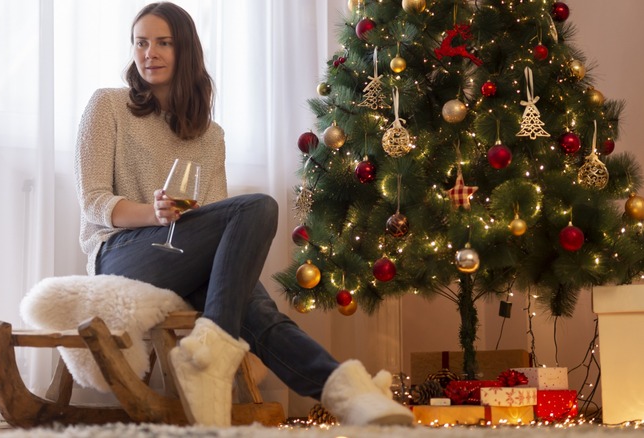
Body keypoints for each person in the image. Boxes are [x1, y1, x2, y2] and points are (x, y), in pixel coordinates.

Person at [74, 1, 414, 428]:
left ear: (186, 52)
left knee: (260, 313)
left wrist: (188, 221)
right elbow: (93, 201)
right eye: (141, 43)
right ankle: (220, 354)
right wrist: (154, 213)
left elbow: (217, 217)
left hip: (185, 255)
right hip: (119, 254)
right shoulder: (107, 106)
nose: (149, 53)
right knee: (260, 206)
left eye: (163, 43)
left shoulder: (210, 135)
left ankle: (348, 395)